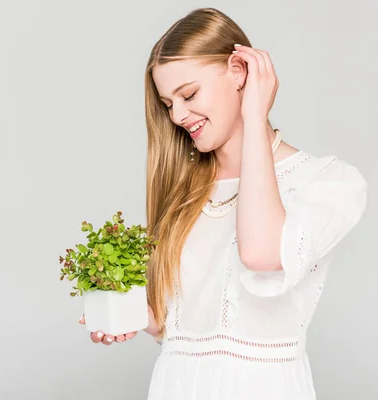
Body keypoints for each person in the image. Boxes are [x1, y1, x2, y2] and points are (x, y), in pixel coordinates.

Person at [78, 7, 368, 400]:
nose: (178, 115)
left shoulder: (329, 182)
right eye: (167, 104)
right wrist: (136, 316)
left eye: (189, 94)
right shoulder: (183, 192)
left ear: (238, 71)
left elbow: (263, 254)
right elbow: (185, 331)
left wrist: (254, 112)